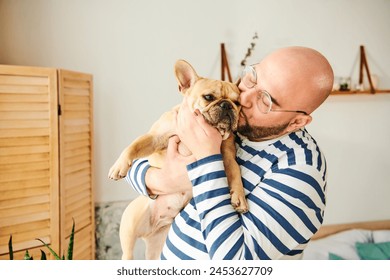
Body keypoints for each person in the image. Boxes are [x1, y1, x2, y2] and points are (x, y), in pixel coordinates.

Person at [126, 46, 334, 260]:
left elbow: (234, 263)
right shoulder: (232, 122)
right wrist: (164, 179)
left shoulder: (300, 173)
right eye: (252, 78)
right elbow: (132, 165)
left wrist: (207, 159)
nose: (244, 99)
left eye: (265, 100)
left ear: (297, 122)